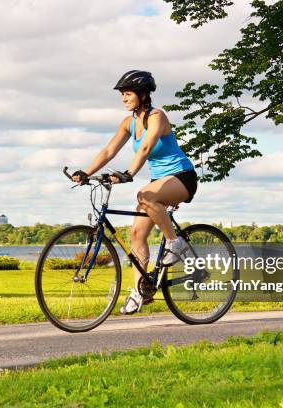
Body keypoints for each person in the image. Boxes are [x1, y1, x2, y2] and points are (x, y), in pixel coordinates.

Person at [71, 70, 198, 314]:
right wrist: (87, 172)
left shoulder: (157, 116)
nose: (123, 98)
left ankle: (176, 242)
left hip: (182, 177)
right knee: (136, 235)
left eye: (127, 94)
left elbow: (146, 147)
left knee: (144, 195)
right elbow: (109, 151)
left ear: (142, 95)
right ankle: (141, 291)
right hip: (159, 181)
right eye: (122, 94)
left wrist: (129, 173)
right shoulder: (128, 123)